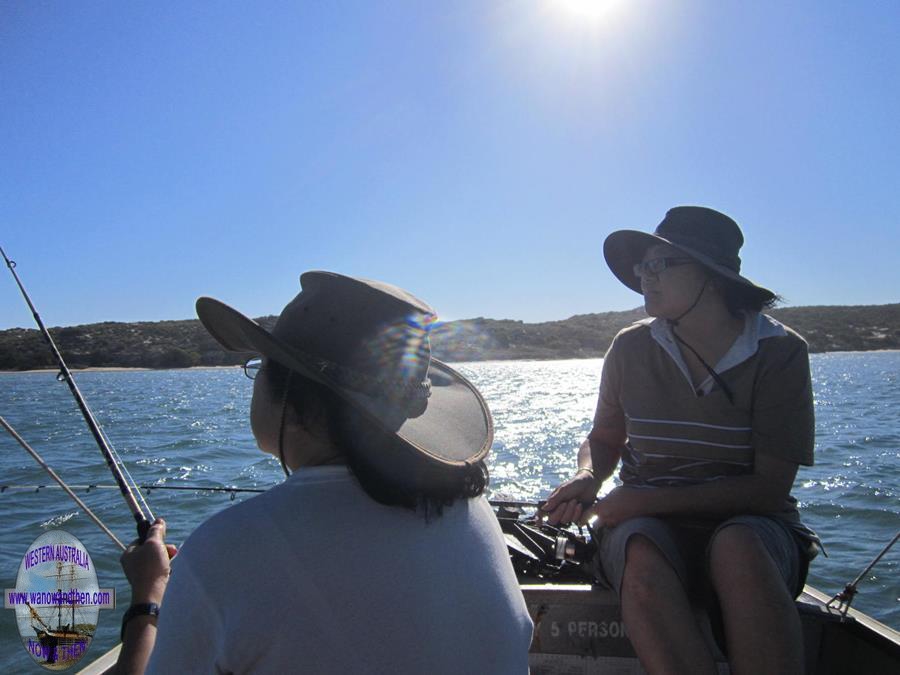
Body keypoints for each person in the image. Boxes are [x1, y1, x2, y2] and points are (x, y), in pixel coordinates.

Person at [116, 271, 533, 674]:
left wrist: (149, 594)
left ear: (296, 403)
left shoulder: (223, 554)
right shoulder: (472, 510)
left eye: (262, 365)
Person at [542, 206, 819, 675]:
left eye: (658, 265)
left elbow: (769, 489)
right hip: (645, 527)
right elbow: (606, 436)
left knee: (739, 549)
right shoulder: (630, 347)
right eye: (640, 266)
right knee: (640, 553)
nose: (642, 277)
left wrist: (643, 500)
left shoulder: (779, 352)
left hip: (752, 526)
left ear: (710, 276)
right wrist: (589, 476)